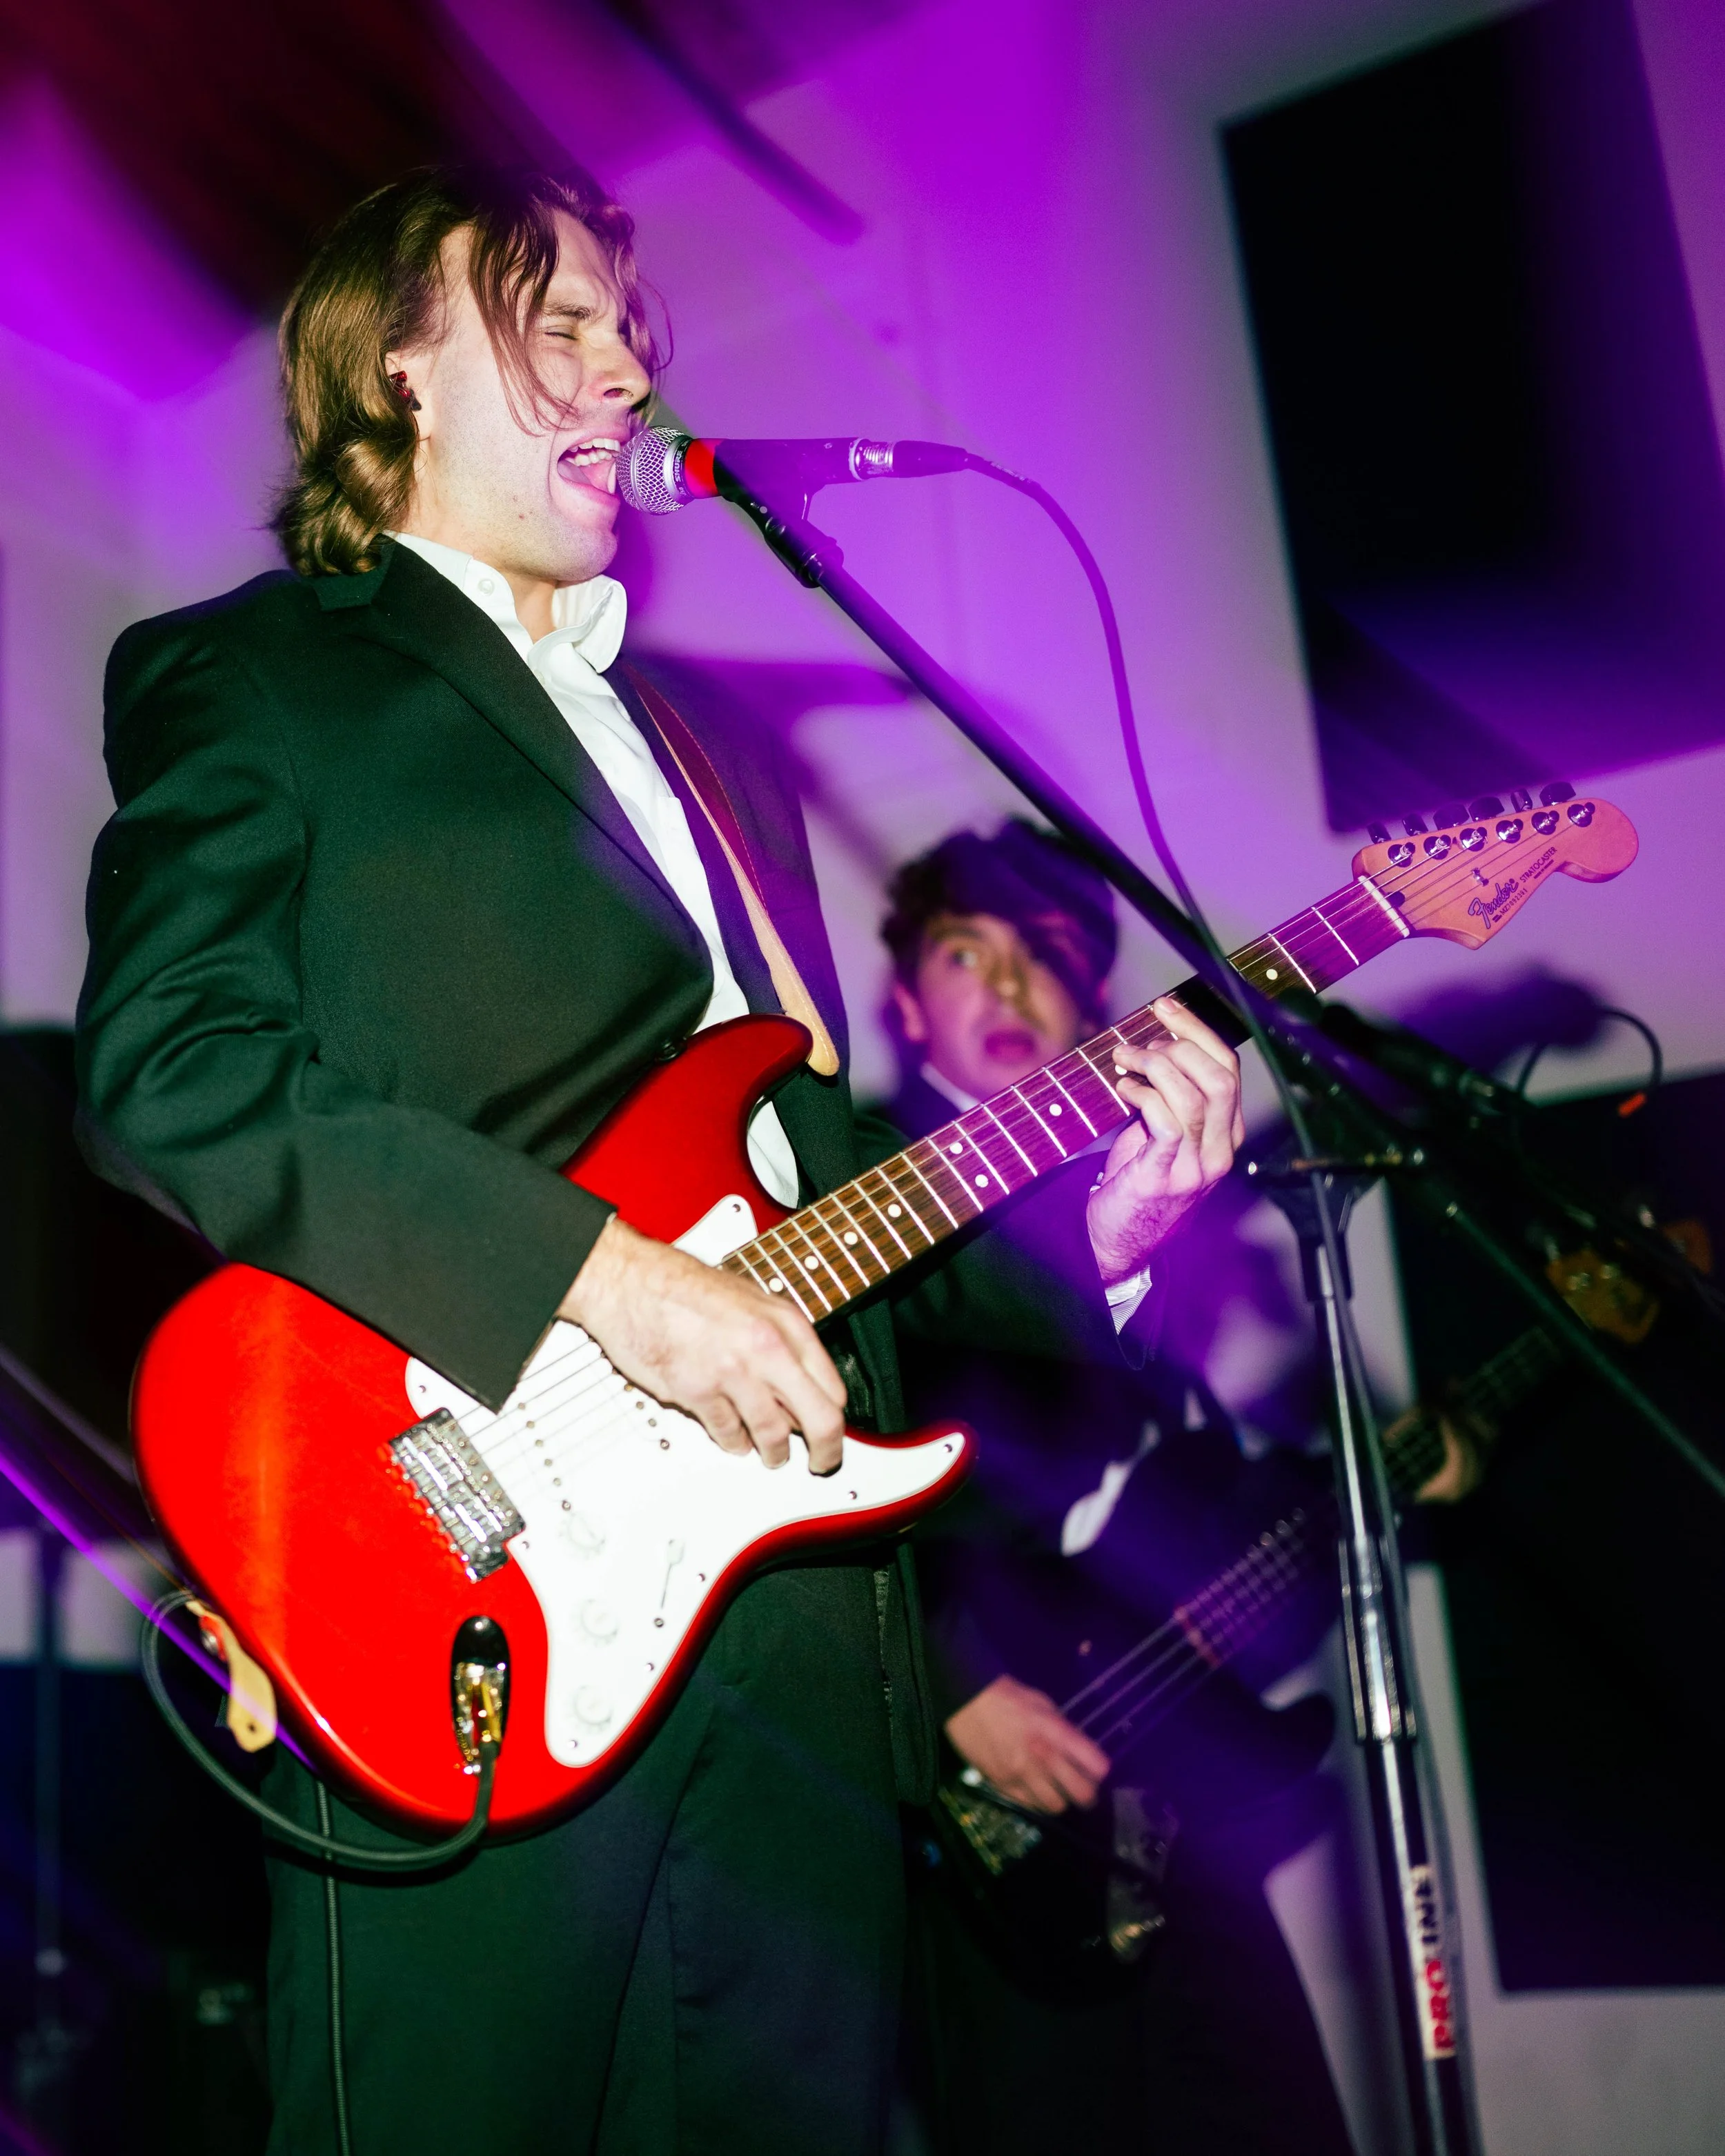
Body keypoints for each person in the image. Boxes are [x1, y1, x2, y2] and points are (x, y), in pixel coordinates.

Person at [73, 164, 1244, 2155]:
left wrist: (1103, 1242)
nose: (628, 366)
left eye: (635, 327)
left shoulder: (717, 759)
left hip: (798, 1632)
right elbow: (169, 1071)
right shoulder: (262, 674)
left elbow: (826, 1198)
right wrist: (602, 1278)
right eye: (562, 323)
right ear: (403, 370)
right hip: (457, 1567)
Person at [877, 821, 1356, 2156]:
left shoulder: (1164, 1186)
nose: (1013, 987)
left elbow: (1187, 1516)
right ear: (909, 1000)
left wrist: (1397, 1479)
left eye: (1052, 957)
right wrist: (948, 1688)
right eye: (966, 952)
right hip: (973, 1825)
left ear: (1099, 1005)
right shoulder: (854, 1182)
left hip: (1171, 1795)